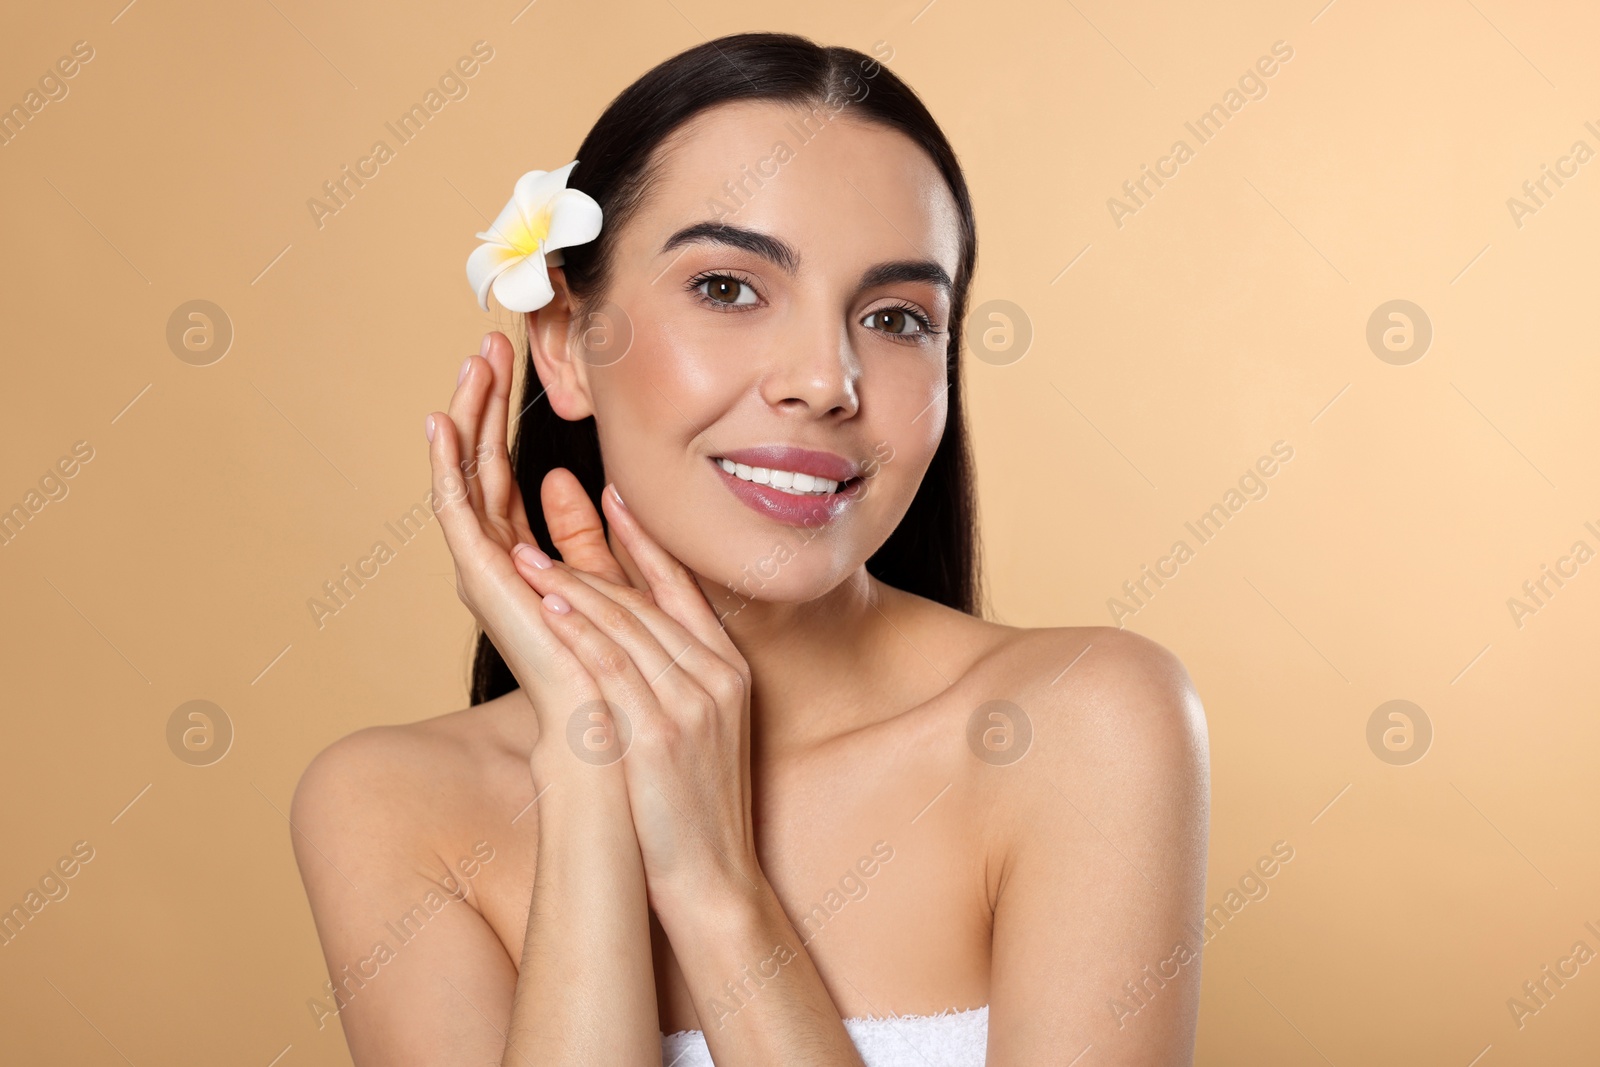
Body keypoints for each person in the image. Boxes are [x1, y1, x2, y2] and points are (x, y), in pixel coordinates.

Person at [291, 30, 1209, 1066]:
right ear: (565, 343)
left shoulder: (1078, 725)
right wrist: (595, 762)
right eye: (727, 288)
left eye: (897, 316)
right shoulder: (392, 806)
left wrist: (714, 883)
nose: (825, 378)